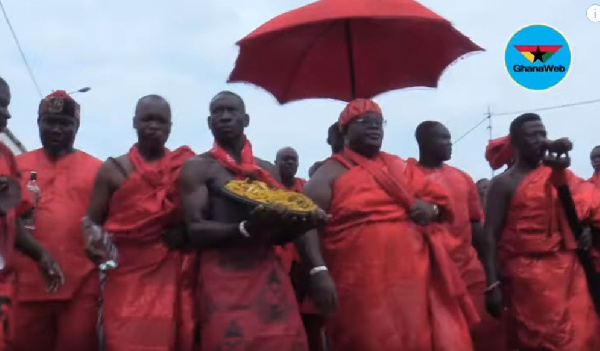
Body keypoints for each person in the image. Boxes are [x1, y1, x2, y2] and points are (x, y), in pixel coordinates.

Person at [298, 99, 478, 351]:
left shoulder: (401, 167)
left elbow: (440, 207)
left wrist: (431, 208)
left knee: (421, 339)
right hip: (360, 284)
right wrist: (318, 271)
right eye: (364, 122)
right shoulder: (327, 175)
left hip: (412, 278)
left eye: (378, 122)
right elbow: (305, 224)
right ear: (344, 130)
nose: (374, 128)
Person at [179, 91, 325, 351]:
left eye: (231, 111)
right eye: (217, 112)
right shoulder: (198, 167)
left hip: (266, 271)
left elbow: (278, 233)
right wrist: (246, 228)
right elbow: (195, 229)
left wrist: (302, 224)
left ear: (245, 119)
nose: (224, 117)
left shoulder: (266, 170)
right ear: (209, 122)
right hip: (222, 276)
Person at [85, 95, 196, 350]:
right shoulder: (112, 170)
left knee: (165, 339)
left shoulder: (185, 168)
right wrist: (94, 245)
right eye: (147, 119)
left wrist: (185, 234)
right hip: (124, 273)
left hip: (168, 274)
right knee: (122, 340)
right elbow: (91, 222)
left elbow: (198, 217)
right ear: (134, 122)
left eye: (161, 121)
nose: (153, 126)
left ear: (170, 127)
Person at [484, 113, 600, 350]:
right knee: (547, 341)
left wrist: (586, 228)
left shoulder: (562, 175)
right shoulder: (503, 183)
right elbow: (490, 235)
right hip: (530, 276)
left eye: (542, 134)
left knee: (583, 334)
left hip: (569, 269)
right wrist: (492, 284)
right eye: (532, 135)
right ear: (515, 143)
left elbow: (587, 207)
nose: (540, 139)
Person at [11, 91, 101, 351]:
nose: (56, 129)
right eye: (49, 122)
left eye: (65, 123)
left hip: (80, 289)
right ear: (38, 123)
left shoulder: (97, 170)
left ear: (77, 127)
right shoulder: (17, 166)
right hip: (25, 288)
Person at [407, 121, 506, 351]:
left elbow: (476, 226)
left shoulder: (463, 178)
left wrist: (491, 277)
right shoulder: (407, 176)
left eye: (450, 138)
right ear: (423, 142)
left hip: (469, 269)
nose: (449, 144)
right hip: (430, 273)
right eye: (443, 138)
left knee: (488, 332)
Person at [0, 78, 64, 350]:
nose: (7, 114)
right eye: (0, 105)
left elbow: (11, 217)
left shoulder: (5, 155)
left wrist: (41, 255)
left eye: (7, 105)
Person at [274, 147, 325, 351]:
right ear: (275, 163)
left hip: (303, 264)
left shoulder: (305, 189)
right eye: (285, 159)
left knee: (309, 321)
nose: (289, 163)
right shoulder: (268, 189)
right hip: (277, 263)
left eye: (293, 160)